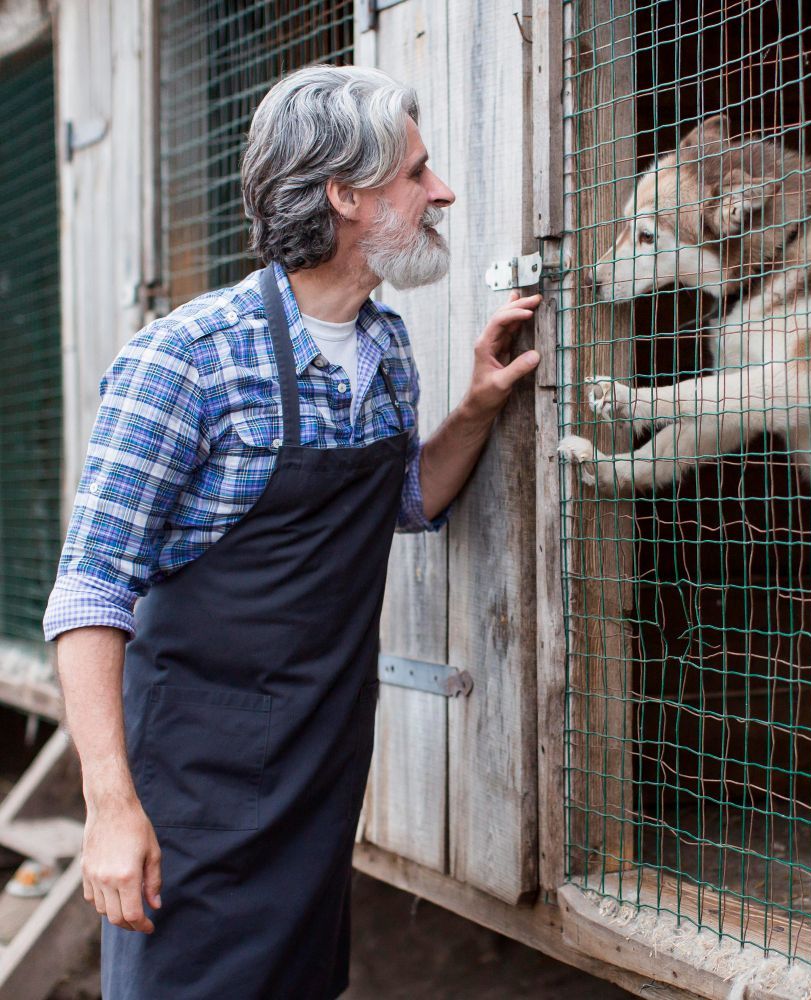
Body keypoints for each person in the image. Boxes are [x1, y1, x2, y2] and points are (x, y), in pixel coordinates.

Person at [43, 64, 541, 999]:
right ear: (344, 195)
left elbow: (401, 504)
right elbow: (89, 590)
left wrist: (475, 408)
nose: (441, 191)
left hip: (318, 772)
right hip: (189, 788)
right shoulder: (185, 362)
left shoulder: (387, 350)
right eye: (415, 174)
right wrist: (109, 807)